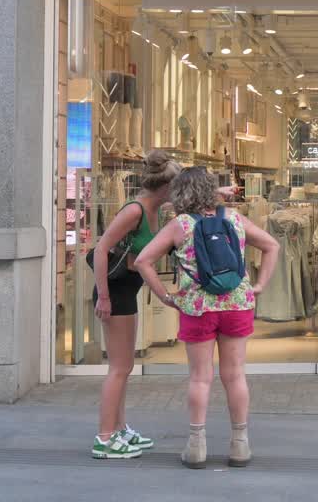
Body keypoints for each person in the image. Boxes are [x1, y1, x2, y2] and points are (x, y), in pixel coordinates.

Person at [133, 167, 280, 469]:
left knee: (200, 378)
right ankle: (240, 444)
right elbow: (271, 245)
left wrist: (165, 296)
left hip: (197, 306)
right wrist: (260, 285)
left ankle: (196, 445)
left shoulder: (180, 225)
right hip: (237, 303)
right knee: (235, 375)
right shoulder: (234, 219)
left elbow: (143, 261)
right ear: (211, 189)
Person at [90, 149, 181, 459]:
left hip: (126, 292)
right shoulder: (135, 211)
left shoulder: (154, 211)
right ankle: (104, 437)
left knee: (125, 367)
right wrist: (103, 296)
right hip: (114, 293)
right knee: (119, 368)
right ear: (165, 187)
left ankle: (118, 429)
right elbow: (101, 249)